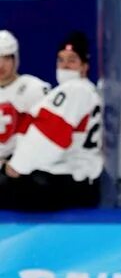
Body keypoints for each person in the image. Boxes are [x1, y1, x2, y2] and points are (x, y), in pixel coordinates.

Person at [0, 30, 101, 210]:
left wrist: (16, 166)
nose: (65, 65)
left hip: (70, 179)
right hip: (77, 177)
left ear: (85, 66)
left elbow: (50, 135)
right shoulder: (86, 90)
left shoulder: (74, 89)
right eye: (61, 60)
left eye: (72, 60)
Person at [0, 29, 50, 169]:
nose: (1, 65)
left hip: (23, 167)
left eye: (7, 58)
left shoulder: (35, 89)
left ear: (16, 59)